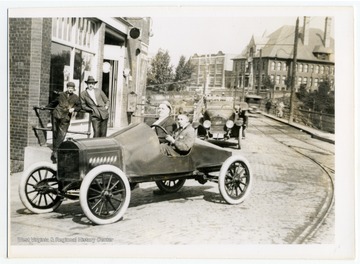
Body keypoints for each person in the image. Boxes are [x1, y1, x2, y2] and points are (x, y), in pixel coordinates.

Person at [45, 81, 81, 163]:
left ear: (74, 89)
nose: (70, 89)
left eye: (72, 88)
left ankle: (55, 153)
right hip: (56, 115)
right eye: (69, 88)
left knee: (61, 135)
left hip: (65, 118)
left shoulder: (76, 97)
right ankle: (55, 151)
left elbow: (80, 106)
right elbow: (54, 102)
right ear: (67, 88)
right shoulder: (61, 95)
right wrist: (46, 107)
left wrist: (74, 109)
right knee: (55, 133)